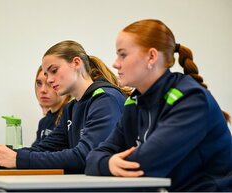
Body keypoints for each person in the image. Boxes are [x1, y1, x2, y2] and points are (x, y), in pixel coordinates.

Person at [85, 19, 232, 191]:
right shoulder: (134, 101)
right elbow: (93, 157)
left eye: (123, 54)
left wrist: (106, 163)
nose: (115, 63)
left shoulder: (190, 99)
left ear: (152, 56)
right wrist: (108, 163)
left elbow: (145, 164)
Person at [0, 40, 129, 174]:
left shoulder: (105, 99)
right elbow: (43, 148)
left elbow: (86, 156)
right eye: (46, 74)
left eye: (54, 70)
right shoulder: (72, 107)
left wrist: (18, 159)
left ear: (76, 63)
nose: (50, 80)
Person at [32, 65, 71, 146]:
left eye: (49, 83)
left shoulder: (70, 118)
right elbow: (35, 153)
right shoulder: (44, 121)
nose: (43, 90)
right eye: (39, 83)